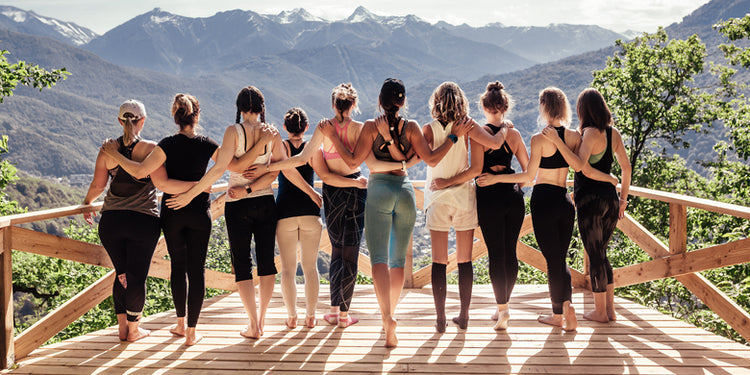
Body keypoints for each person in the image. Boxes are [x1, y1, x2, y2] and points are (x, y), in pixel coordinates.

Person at [102, 93, 267, 345]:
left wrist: (114, 153)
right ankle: (191, 333)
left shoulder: (165, 145)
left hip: (172, 212)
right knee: (197, 270)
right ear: (197, 116)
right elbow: (235, 165)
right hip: (200, 212)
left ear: (175, 117)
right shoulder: (207, 144)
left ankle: (179, 324)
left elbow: (139, 172)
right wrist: (262, 143)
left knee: (178, 267)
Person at [322, 78, 471, 348]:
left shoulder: (370, 127)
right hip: (404, 192)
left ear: (380, 101)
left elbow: (354, 161)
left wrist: (332, 136)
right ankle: (391, 313)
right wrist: (453, 137)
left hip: (379, 190)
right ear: (402, 103)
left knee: (379, 259)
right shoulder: (412, 127)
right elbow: (432, 159)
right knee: (397, 262)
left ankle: (386, 317)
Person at [164, 86, 289, 339]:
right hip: (265, 201)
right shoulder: (272, 132)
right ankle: (263, 319)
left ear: (239, 108)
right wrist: (256, 183)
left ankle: (253, 324)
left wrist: (192, 193)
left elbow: (220, 168)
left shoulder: (234, 131)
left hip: (236, 202)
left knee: (242, 264)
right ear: (261, 108)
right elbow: (278, 169)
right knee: (266, 262)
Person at [490, 87, 608, 331]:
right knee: (559, 258)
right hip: (564, 201)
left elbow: (529, 176)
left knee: (552, 260)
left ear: (543, 107)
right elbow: (577, 166)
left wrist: (496, 179)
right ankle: (563, 308)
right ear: (564, 107)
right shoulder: (575, 137)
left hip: (543, 200)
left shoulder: (538, 138)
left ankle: (562, 312)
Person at [83, 100, 196, 342]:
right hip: (142, 222)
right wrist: (199, 187)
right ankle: (134, 330)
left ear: (119, 121)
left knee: (121, 273)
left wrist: (86, 202)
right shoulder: (150, 149)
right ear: (142, 120)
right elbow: (162, 183)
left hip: (111, 222)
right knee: (136, 276)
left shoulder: (108, 149)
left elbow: (98, 186)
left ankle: (122, 328)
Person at [541, 88, 631, 322]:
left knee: (595, 255)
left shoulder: (590, 134)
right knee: (602, 254)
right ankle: (610, 311)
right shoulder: (614, 134)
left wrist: (558, 142)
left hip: (591, 201)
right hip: (611, 201)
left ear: (583, 110)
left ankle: (600, 312)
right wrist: (622, 198)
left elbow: (581, 167)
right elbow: (627, 168)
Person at [422, 82, 482, 332]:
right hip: (464, 198)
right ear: (461, 102)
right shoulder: (469, 127)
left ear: (436, 102)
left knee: (439, 262)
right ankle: (464, 315)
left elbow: (427, 158)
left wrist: (443, 182)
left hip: (437, 200)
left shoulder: (428, 130)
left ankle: (440, 318)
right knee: (465, 261)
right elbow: (476, 169)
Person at [474, 82, 529, 330]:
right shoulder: (514, 135)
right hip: (513, 196)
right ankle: (503, 307)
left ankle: (503, 309)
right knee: (510, 252)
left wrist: (493, 178)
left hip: (489, 197)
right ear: (505, 107)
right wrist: (509, 181)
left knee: (496, 254)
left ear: (484, 107)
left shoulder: (478, 134)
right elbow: (528, 174)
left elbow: (474, 170)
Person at [274, 107, 324, 329]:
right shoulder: (311, 150)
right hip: (310, 212)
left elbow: (285, 171)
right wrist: (313, 193)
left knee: (288, 269)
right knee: (310, 267)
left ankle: (292, 317)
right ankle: (311, 317)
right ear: (306, 128)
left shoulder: (281, 148)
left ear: (285, 127)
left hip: (284, 212)